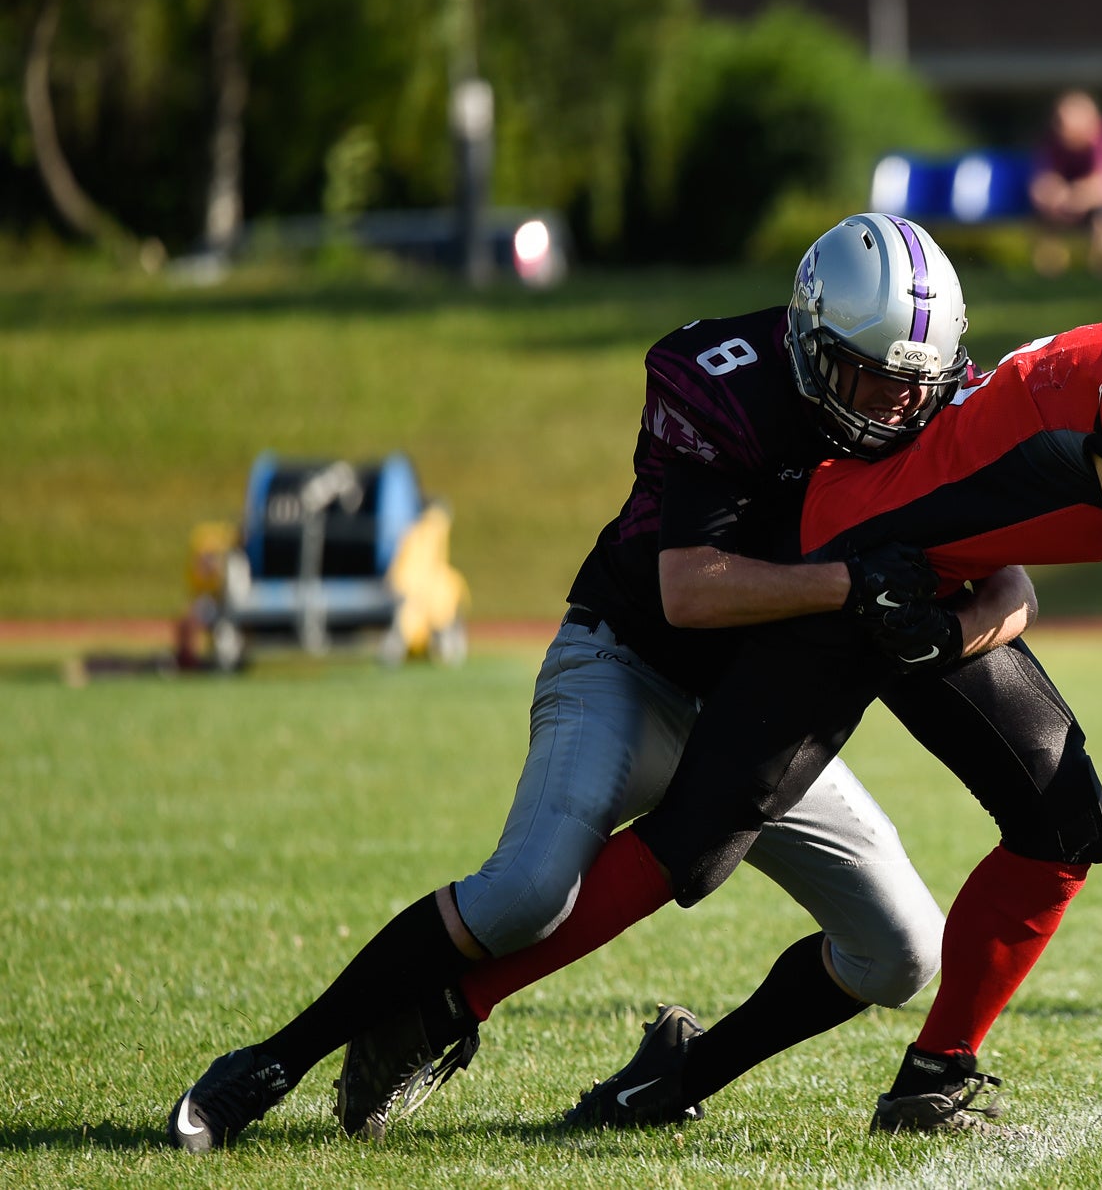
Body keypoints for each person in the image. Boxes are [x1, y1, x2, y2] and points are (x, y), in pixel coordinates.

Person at [439, 235, 1102, 1134]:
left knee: (1059, 821)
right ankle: (455, 997)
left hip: (940, 582)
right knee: (696, 838)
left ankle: (921, 1081)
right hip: (856, 563)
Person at [167, 213, 1046, 1151]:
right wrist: (853, 586)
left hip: (765, 718)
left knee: (900, 947)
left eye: (911, 388)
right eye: (864, 376)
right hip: (632, 666)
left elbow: (1014, 582)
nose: (889, 411)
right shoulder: (725, 383)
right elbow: (691, 590)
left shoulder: (939, 400)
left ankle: (679, 1073)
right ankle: (266, 1064)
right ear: (807, 338)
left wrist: (947, 630)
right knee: (525, 892)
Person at [1028, 90, 1102, 274]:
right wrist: (1054, 196)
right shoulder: (1051, 140)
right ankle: (1051, 271)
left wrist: (1077, 197)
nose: (1062, 127)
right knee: (1044, 215)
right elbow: (1041, 182)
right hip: (1062, 205)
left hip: (1098, 208)